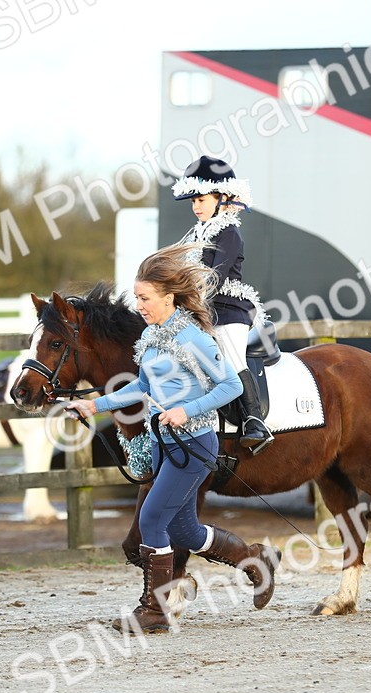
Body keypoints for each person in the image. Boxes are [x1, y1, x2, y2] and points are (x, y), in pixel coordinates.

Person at [66, 243, 282, 633]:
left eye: (145, 298)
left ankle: (154, 611)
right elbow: (142, 388)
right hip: (165, 444)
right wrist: (93, 406)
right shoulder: (152, 337)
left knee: (151, 518)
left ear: (168, 297)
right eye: (137, 298)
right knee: (185, 531)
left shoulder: (191, 338)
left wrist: (188, 409)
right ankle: (255, 559)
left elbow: (230, 385)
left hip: (195, 444)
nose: (140, 305)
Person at [172, 155, 275, 454]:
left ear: (222, 197)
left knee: (230, 355)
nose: (196, 207)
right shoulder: (196, 233)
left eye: (201, 200)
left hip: (229, 309)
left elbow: (214, 276)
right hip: (203, 309)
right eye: (193, 201)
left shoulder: (229, 232)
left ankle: (256, 421)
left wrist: (189, 300)